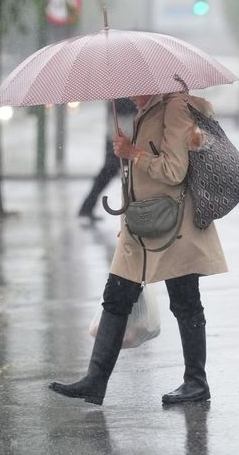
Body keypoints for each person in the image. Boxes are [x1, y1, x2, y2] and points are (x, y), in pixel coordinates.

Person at [50, 91, 228, 406]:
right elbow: (136, 179)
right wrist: (125, 224)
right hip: (142, 224)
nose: (131, 93)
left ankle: (196, 382)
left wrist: (134, 153)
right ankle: (95, 380)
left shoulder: (173, 109)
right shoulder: (144, 110)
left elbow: (175, 170)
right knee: (116, 297)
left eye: (136, 87)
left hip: (175, 225)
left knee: (185, 301)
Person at [78, 98, 138, 221]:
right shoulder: (120, 93)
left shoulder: (117, 90)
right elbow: (124, 108)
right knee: (109, 173)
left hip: (121, 135)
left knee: (111, 174)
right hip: (119, 137)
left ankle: (87, 207)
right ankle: (87, 207)